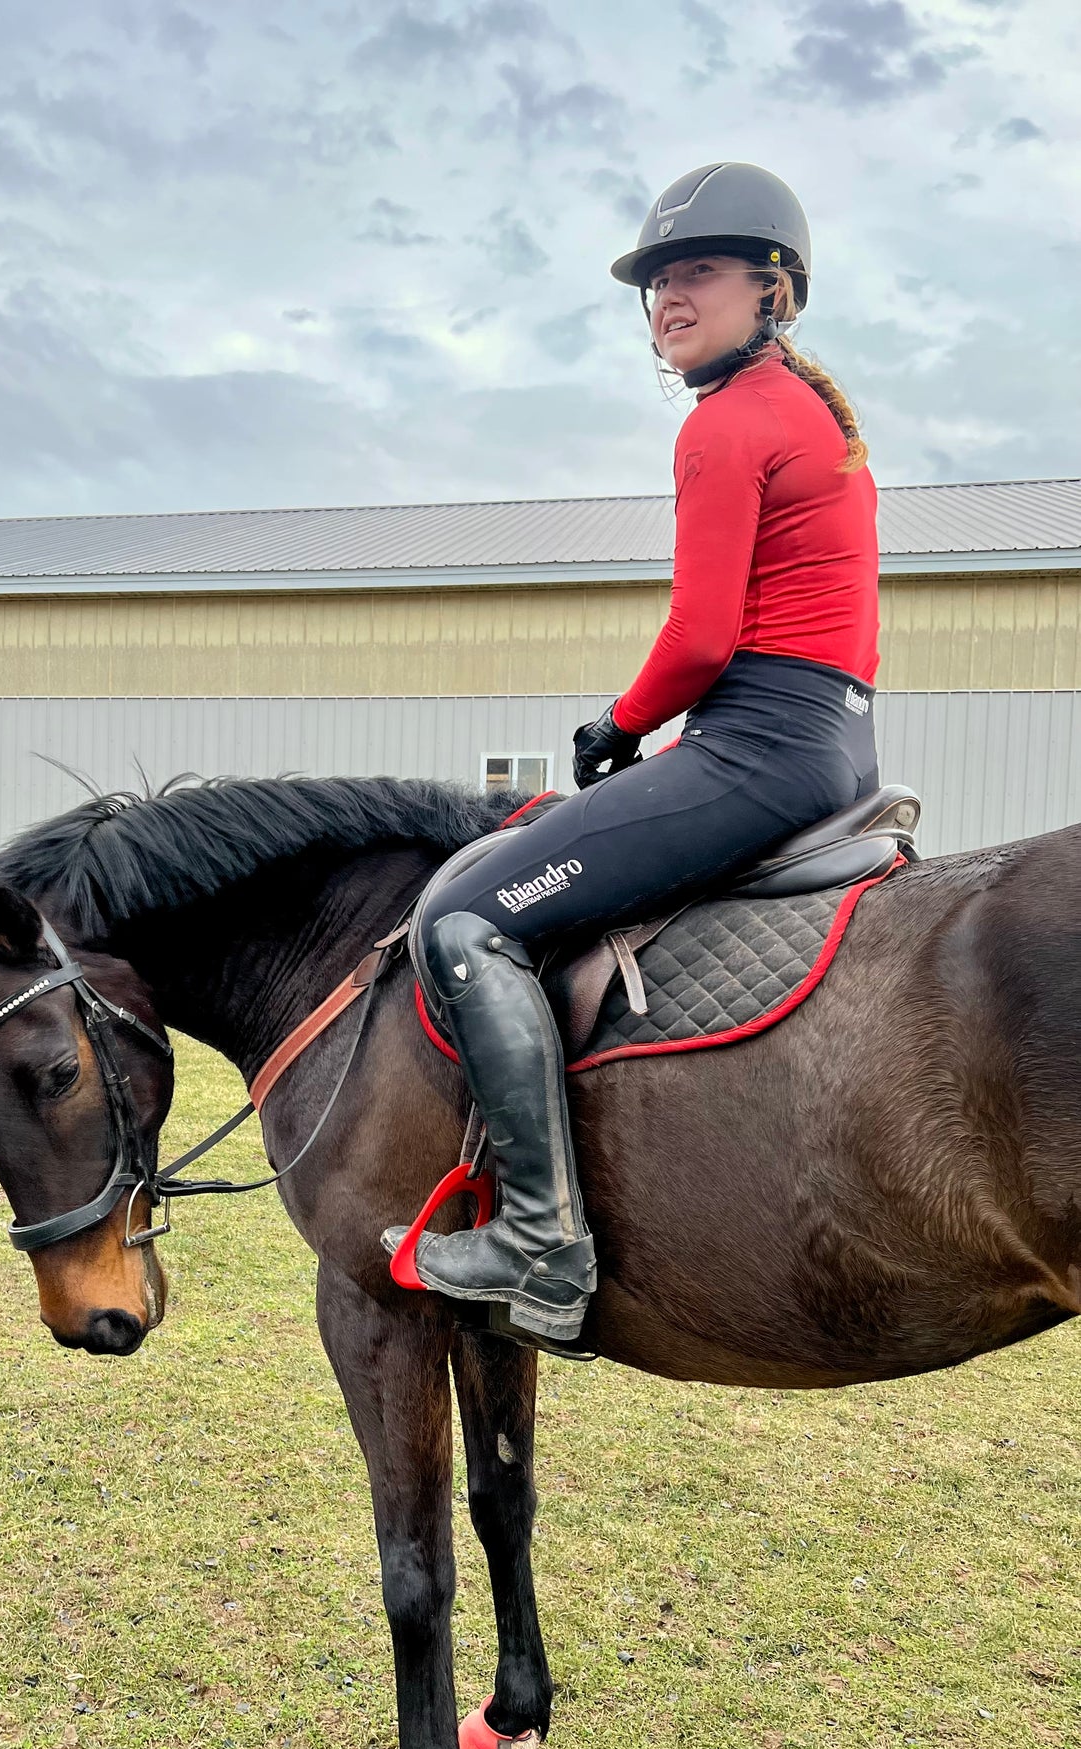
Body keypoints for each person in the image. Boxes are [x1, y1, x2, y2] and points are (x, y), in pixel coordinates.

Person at [384, 161, 881, 1344]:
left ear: (772, 287)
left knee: (463, 921)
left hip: (756, 746)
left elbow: (702, 636)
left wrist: (615, 725)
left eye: (695, 272)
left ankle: (541, 1245)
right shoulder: (806, 413)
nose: (667, 296)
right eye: (654, 280)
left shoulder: (726, 424)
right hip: (827, 744)